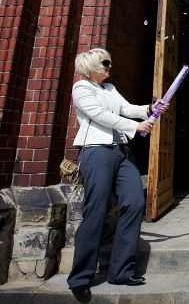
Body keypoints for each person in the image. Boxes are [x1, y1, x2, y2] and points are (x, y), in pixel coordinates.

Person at [67, 48, 167, 297]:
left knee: (134, 202)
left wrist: (149, 109)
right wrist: (137, 126)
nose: (110, 66)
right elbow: (100, 116)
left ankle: (121, 271)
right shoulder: (81, 89)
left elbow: (126, 108)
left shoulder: (109, 89)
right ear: (91, 66)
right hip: (97, 151)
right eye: (105, 62)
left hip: (121, 150)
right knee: (96, 210)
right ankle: (80, 277)